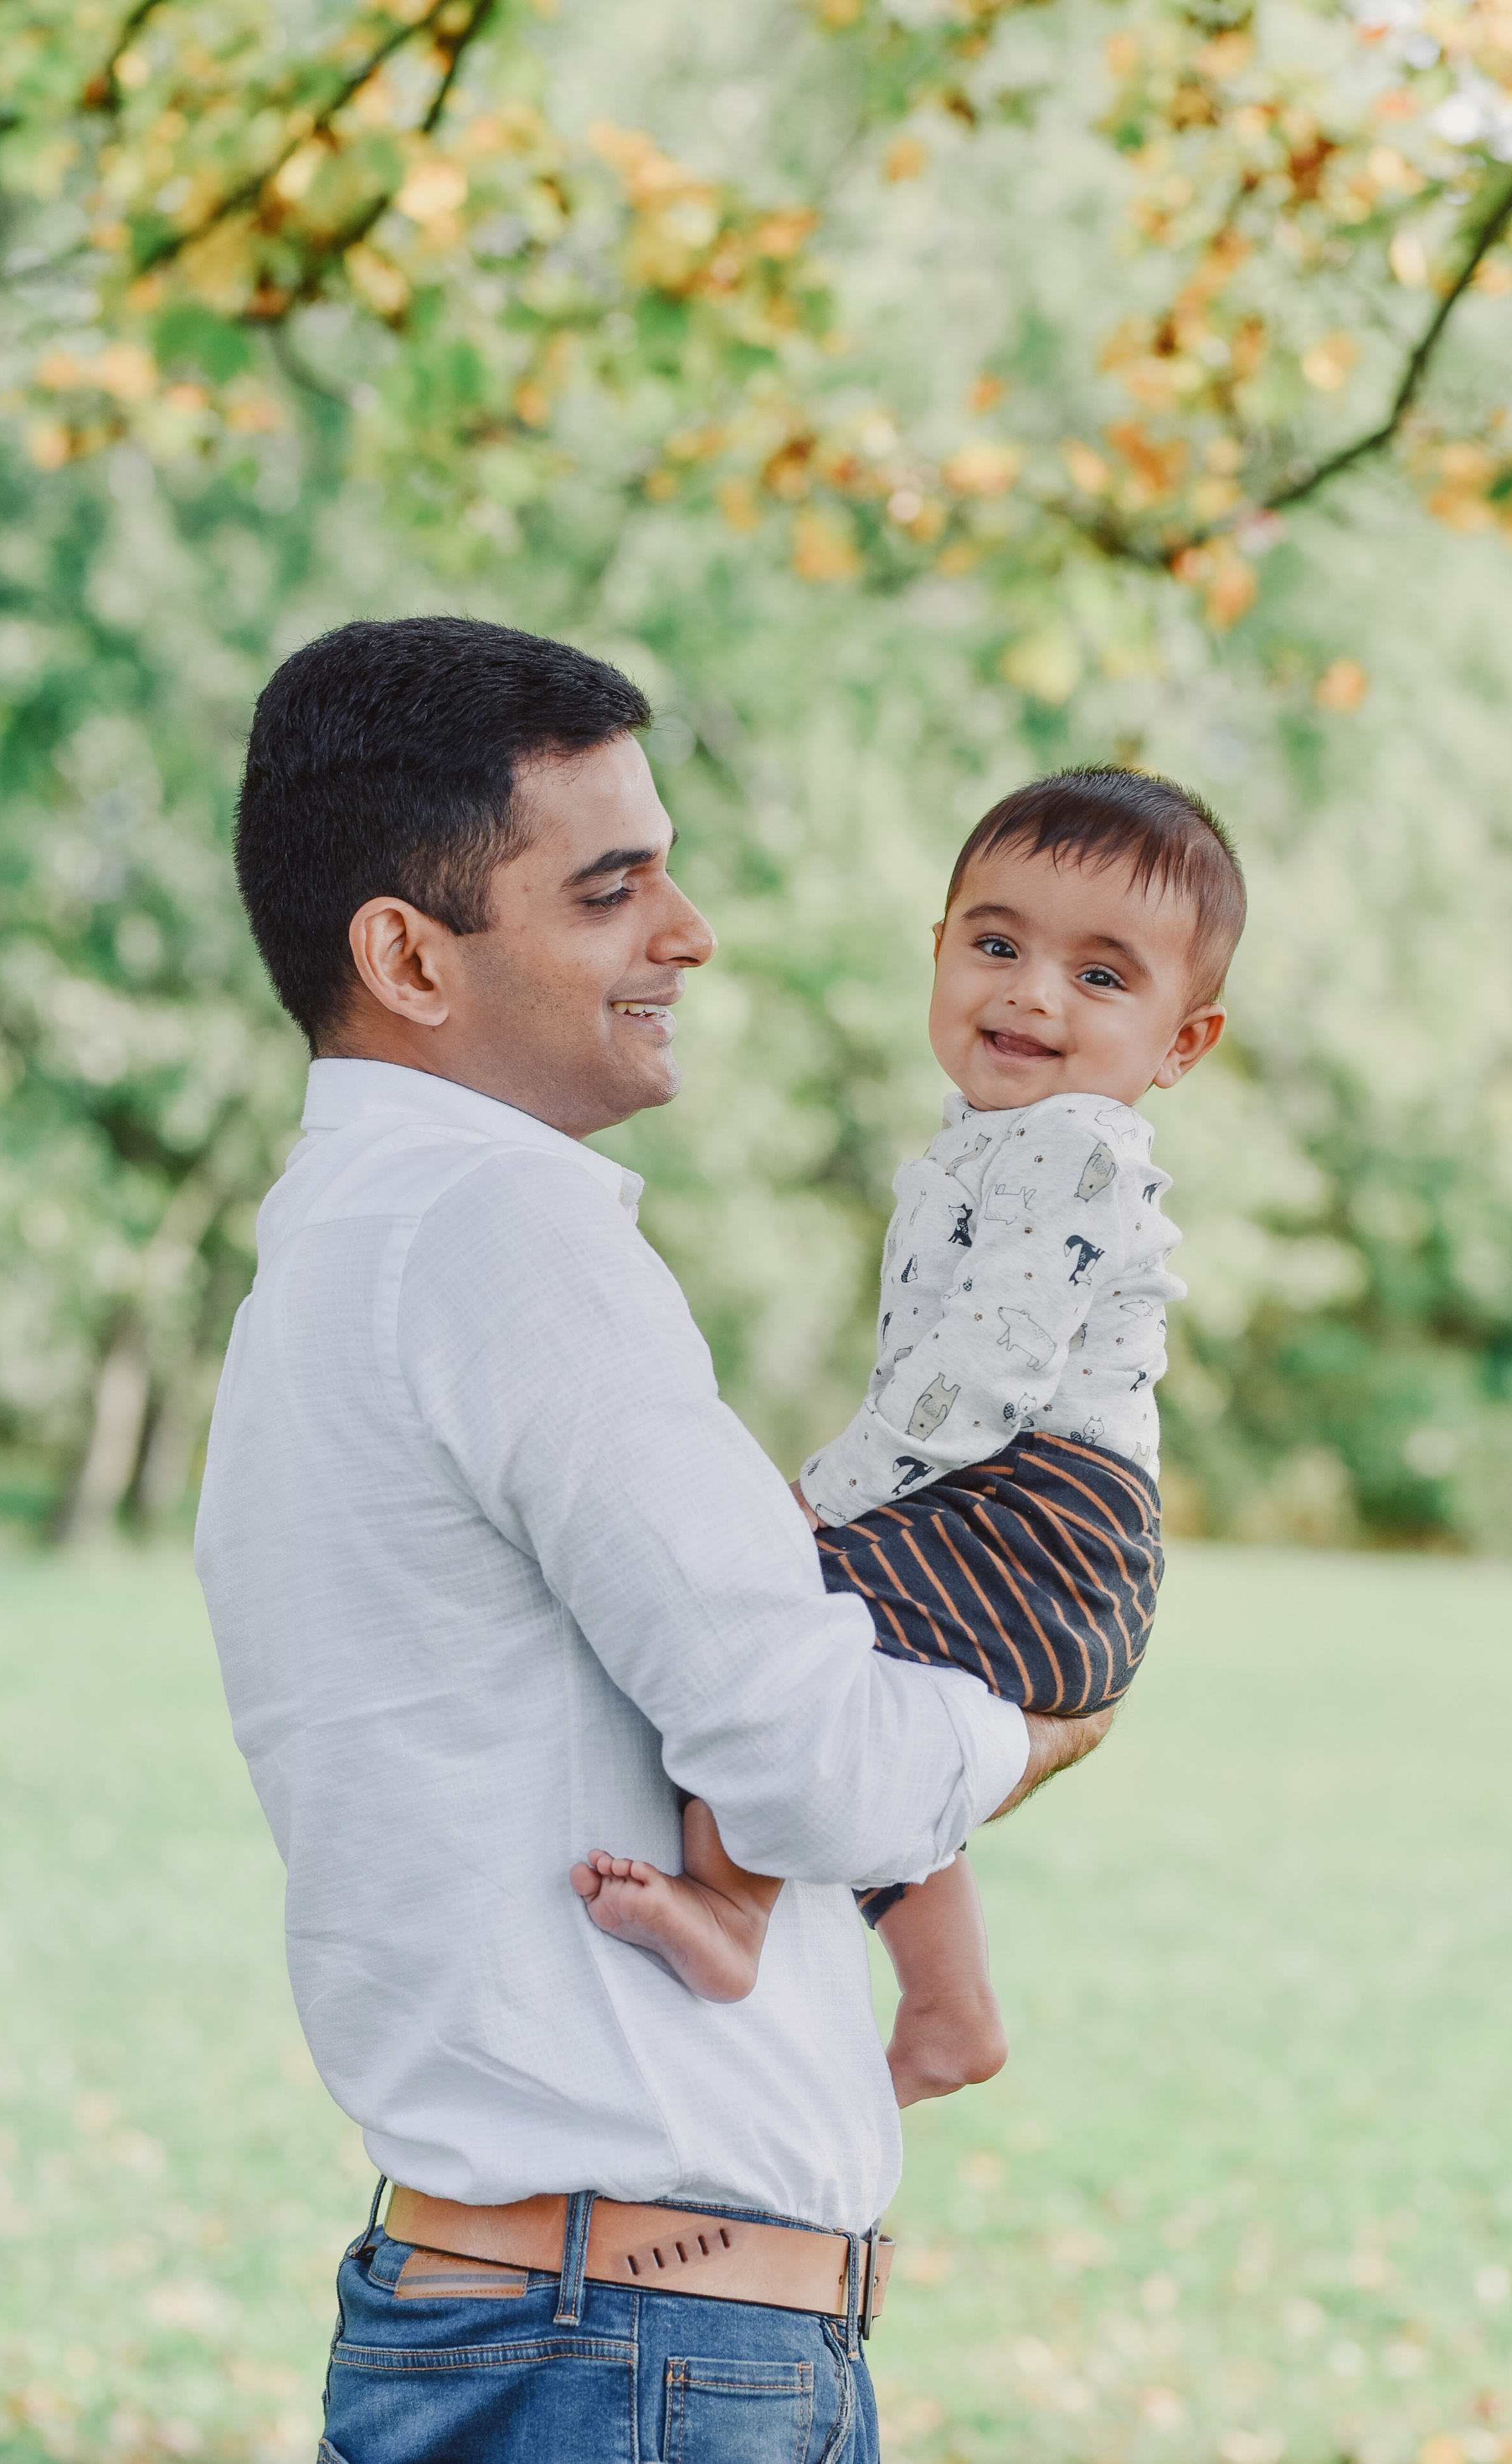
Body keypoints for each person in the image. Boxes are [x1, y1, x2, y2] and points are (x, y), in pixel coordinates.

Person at [196, 615, 1112, 2464]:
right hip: (627, 2360)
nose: (688, 933)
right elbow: (815, 1772)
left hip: (572, 2340)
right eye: (614, 890)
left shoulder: (353, 1242)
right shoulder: (498, 1239)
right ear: (407, 956)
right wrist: (1045, 1723)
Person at [573, 771, 1244, 2105]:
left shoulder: (1074, 1155)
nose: (1030, 995)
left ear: (1182, 1042)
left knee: (763, 1616)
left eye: (1100, 979)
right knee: (860, 1687)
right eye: (994, 946)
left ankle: (732, 1904)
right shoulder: (990, 1141)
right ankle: (948, 2007)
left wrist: (815, 1505)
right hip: (1007, 1508)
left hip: (1044, 1520)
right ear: (936, 954)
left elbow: (984, 1380)